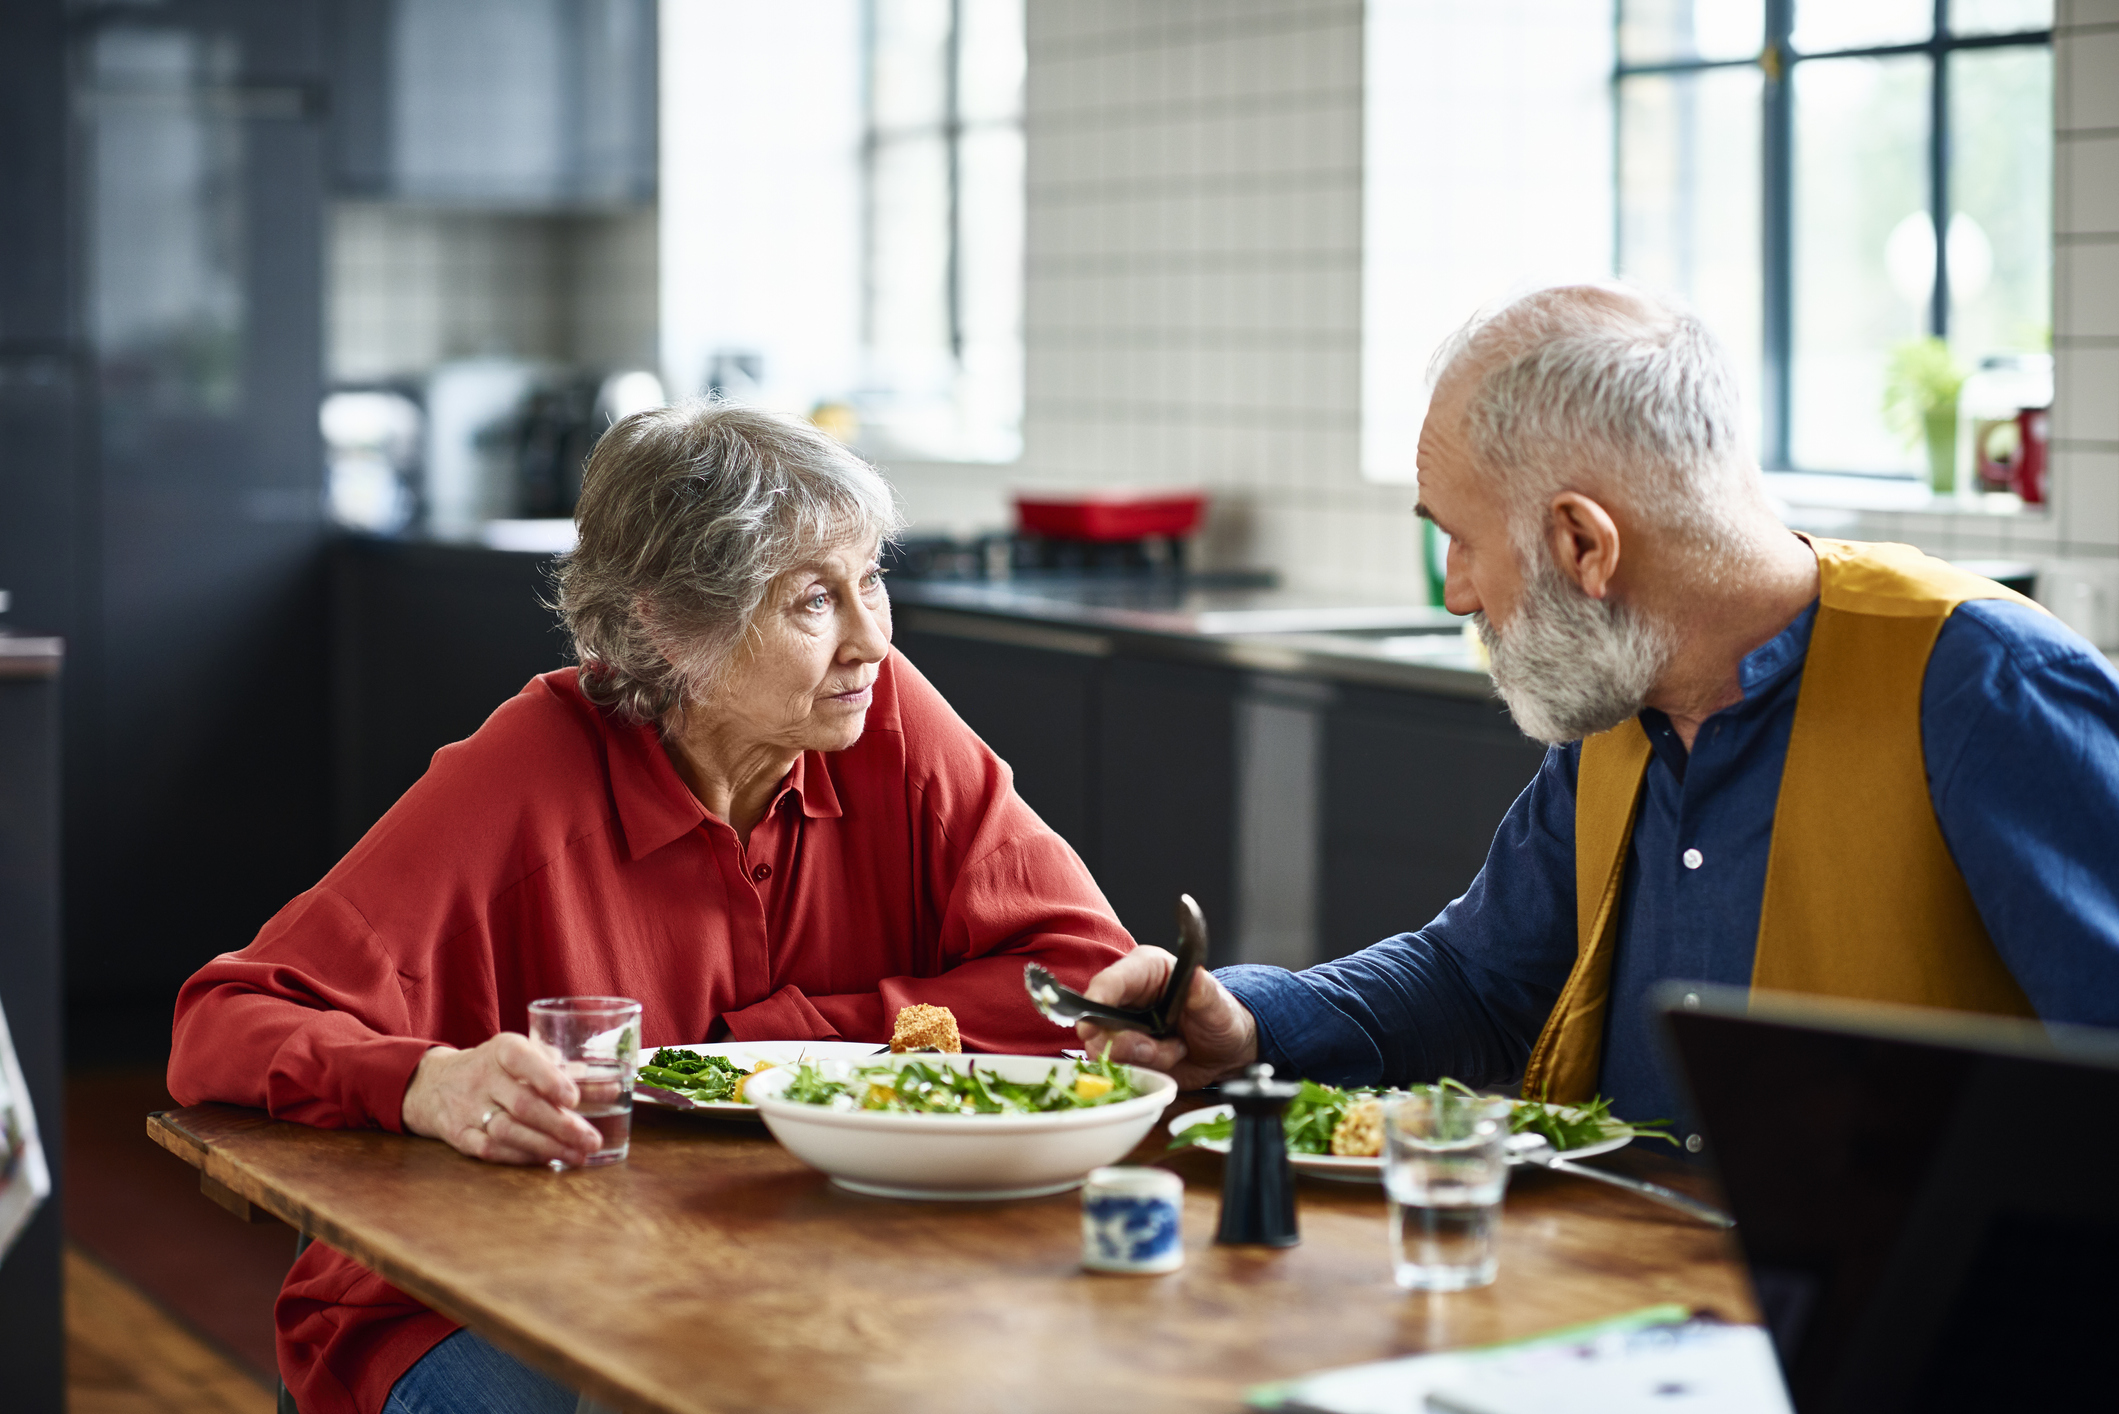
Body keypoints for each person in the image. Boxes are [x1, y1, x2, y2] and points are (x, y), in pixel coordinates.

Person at [168, 403, 1133, 1414]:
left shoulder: (883, 711)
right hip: (474, 1289)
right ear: (672, 627)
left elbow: (1088, 977)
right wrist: (427, 1084)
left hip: (791, 1257)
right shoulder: (521, 776)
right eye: (813, 599)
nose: (871, 640)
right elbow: (224, 1019)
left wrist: (774, 1051)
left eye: (872, 579)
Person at [1081, 282, 2119, 1138]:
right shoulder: (1625, 690)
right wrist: (1247, 1022)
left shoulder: (1985, 688)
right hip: (1620, 1281)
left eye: (1461, 540)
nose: (1456, 592)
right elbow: (1476, 980)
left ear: (1583, 544)